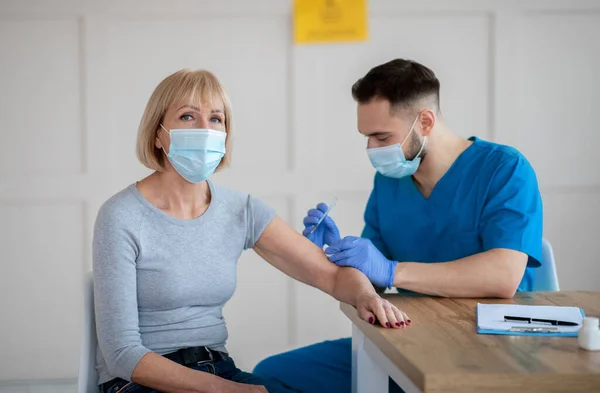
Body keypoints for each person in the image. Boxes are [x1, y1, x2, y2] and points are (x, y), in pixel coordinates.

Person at [93, 68, 410, 393]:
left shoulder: (239, 210)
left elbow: (330, 275)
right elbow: (121, 355)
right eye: (188, 116)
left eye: (216, 119)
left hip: (218, 368)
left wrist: (366, 295)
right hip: (139, 382)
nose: (205, 129)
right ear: (157, 134)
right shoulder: (121, 216)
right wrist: (224, 390)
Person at [253, 58, 543, 393]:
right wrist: (335, 257)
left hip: (489, 351)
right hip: (406, 342)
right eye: (366, 138)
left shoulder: (504, 170)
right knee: (272, 375)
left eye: (381, 137)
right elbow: (370, 290)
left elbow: (503, 277)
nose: (371, 149)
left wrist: (393, 271)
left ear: (425, 121)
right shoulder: (389, 181)